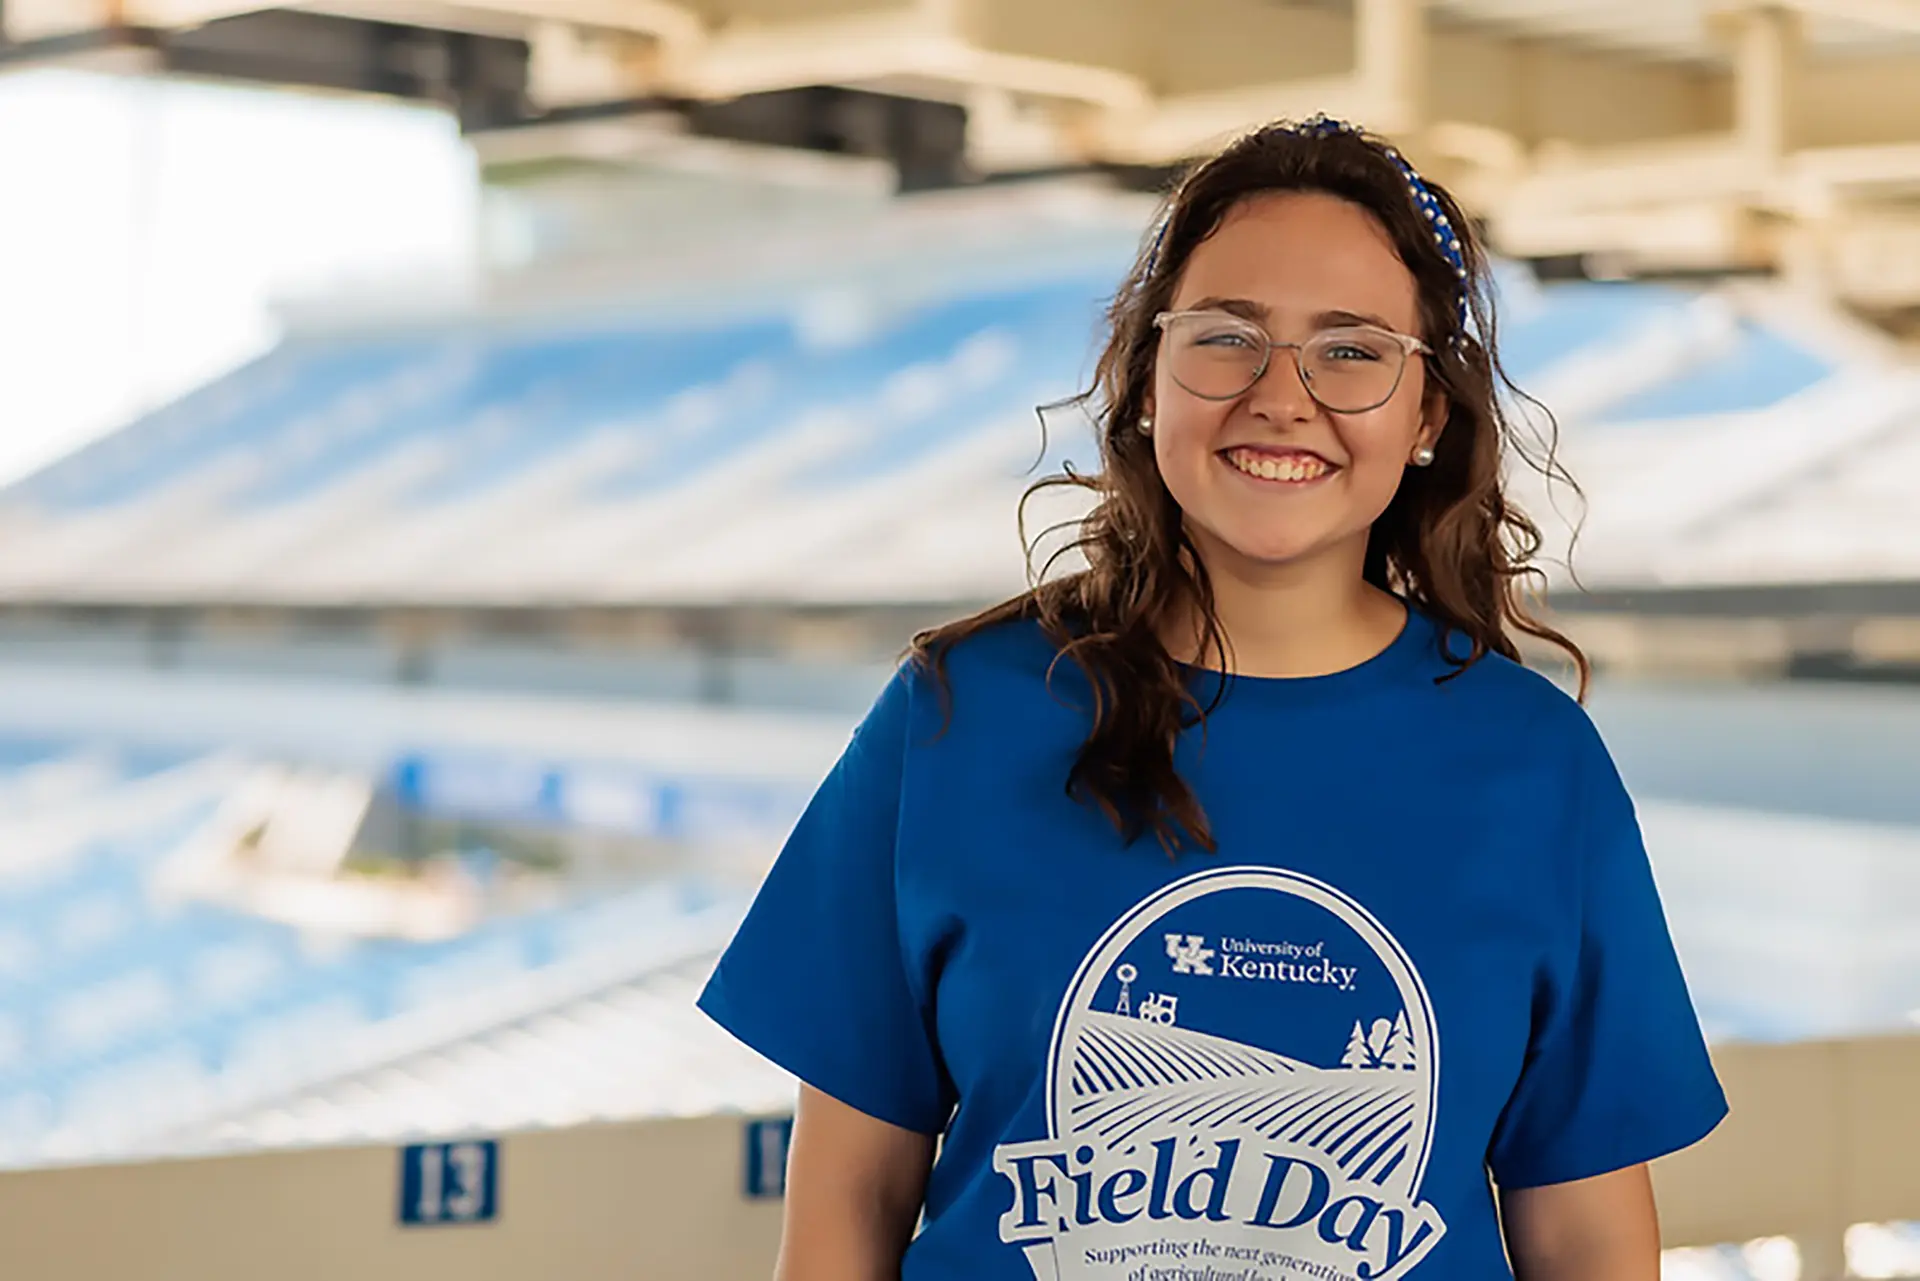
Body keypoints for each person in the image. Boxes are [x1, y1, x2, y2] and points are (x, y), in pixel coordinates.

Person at [698, 116, 1726, 1281]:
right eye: (1227, 338)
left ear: (1427, 417)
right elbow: (849, 1197)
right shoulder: (951, 720)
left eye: (1351, 351)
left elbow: (1587, 1235)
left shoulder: (1537, 764)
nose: (1282, 396)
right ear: (1148, 382)